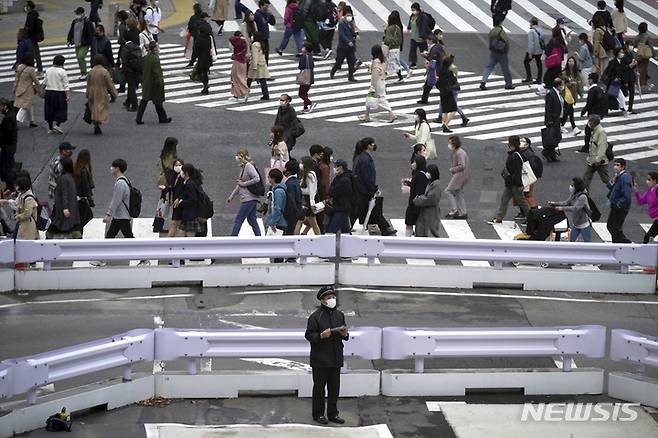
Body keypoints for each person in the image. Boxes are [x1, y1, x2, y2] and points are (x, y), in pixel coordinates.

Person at [305, 285, 348, 425]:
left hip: (336, 357)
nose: (332, 299)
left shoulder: (339, 315)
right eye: (329, 297)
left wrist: (345, 334)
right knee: (319, 388)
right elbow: (309, 335)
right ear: (322, 300)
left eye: (333, 297)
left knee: (334, 387)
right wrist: (321, 336)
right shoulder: (316, 317)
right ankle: (318, 414)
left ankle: (333, 414)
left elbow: (344, 333)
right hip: (320, 359)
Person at [352, 137, 396, 235]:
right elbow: (367, 176)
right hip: (365, 190)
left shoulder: (361, 157)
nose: (374, 145)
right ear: (368, 146)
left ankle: (385, 228)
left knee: (369, 209)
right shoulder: (365, 159)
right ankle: (385, 228)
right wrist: (373, 188)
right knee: (360, 210)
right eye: (372, 144)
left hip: (362, 189)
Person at [488, 136, 531, 224]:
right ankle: (499, 218)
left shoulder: (516, 155)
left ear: (512, 144)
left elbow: (518, 171)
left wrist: (519, 185)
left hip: (515, 183)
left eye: (509, 142)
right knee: (504, 199)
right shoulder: (514, 154)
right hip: (510, 183)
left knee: (522, 201)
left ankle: (532, 218)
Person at [227, 148, 262, 236]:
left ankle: (232, 239)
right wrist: (231, 196)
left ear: (242, 156)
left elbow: (256, 178)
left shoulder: (248, 166)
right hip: (250, 198)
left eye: (238, 155)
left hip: (248, 198)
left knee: (239, 219)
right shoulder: (244, 167)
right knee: (252, 219)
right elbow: (239, 185)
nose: (236, 157)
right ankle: (259, 238)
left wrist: (244, 184)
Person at [136, 41, 171, 124]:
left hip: (146, 82)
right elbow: (157, 72)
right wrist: (160, 82)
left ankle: (139, 118)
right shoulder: (155, 58)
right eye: (157, 47)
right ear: (154, 48)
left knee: (144, 101)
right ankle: (163, 118)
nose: (158, 48)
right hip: (154, 84)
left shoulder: (146, 57)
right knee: (158, 102)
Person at [359, 45, 395, 123]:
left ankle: (391, 113)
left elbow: (375, 75)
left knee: (379, 99)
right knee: (371, 97)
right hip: (382, 82)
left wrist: (373, 86)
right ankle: (367, 115)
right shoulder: (382, 61)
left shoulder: (376, 62)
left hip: (377, 82)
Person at [549, 177, 593, 242]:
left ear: (577, 186)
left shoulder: (582, 197)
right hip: (576, 223)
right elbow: (567, 202)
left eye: (572, 185)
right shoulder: (574, 194)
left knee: (588, 242)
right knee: (571, 241)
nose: (570, 187)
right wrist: (555, 203)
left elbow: (575, 208)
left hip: (584, 224)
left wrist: (561, 208)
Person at [48, 156, 80, 239]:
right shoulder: (70, 177)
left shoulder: (63, 178)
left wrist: (65, 208)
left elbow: (64, 193)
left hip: (63, 209)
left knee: (57, 228)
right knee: (69, 227)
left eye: (60, 164)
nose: (59, 166)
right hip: (70, 208)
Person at [86, 55, 118, 135]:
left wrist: (87, 93)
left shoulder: (91, 71)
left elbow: (88, 83)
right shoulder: (104, 71)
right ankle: (98, 123)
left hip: (92, 91)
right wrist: (114, 93)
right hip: (101, 91)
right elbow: (109, 84)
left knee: (94, 107)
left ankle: (96, 123)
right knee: (101, 107)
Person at [480, 16, 514, 90]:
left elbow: (489, 38)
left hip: (493, 52)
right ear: (500, 23)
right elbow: (506, 41)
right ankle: (508, 84)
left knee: (489, 67)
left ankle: (483, 82)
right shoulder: (501, 31)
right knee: (505, 69)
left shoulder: (492, 31)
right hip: (502, 53)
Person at [0, 175, 39, 240]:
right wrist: (6, 201)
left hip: (28, 224)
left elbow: (27, 214)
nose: (15, 187)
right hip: (22, 223)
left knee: (24, 241)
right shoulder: (21, 194)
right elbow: (16, 203)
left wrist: (17, 216)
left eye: (17, 185)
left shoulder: (29, 198)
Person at [579, 73, 608, 153]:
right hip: (598, 113)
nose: (588, 80)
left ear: (591, 80)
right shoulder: (599, 89)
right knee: (594, 130)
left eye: (589, 79)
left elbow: (589, 103)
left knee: (588, 131)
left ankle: (587, 147)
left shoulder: (592, 90)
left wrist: (583, 111)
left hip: (593, 113)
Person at [606, 158, 632, 243]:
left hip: (620, 207)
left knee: (613, 226)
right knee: (612, 226)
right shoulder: (618, 175)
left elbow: (627, 195)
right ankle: (618, 242)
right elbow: (609, 186)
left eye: (618, 165)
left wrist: (619, 204)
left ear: (623, 167)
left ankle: (623, 242)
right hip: (615, 205)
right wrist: (614, 179)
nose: (615, 167)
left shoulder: (625, 178)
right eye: (614, 165)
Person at [42, 55, 70, 134]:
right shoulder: (62, 71)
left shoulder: (48, 70)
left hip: (49, 93)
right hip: (59, 93)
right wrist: (67, 95)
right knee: (61, 110)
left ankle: (50, 128)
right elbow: (66, 85)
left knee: (49, 110)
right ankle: (57, 125)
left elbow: (44, 82)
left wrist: (41, 90)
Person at [330, 6, 358, 82]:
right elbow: (342, 35)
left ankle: (350, 76)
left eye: (350, 16)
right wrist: (348, 42)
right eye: (348, 15)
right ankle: (333, 71)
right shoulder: (342, 24)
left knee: (351, 61)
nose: (349, 17)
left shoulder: (351, 24)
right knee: (339, 61)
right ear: (344, 16)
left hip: (351, 46)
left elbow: (353, 32)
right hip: (343, 46)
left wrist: (356, 35)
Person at [295, 156, 322, 235]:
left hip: (307, 201)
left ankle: (296, 239)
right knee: (313, 222)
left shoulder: (310, 175)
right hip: (308, 200)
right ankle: (319, 238)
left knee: (299, 221)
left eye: (302, 163)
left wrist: (312, 203)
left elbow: (312, 190)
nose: (300, 164)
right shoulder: (305, 174)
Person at [171, 163, 200, 237]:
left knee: (189, 241)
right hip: (187, 215)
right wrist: (180, 198)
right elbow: (186, 194)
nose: (181, 172)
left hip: (190, 216)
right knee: (182, 238)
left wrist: (182, 203)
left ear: (186, 173)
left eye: (182, 171)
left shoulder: (189, 184)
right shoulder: (189, 182)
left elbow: (193, 199)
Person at [67, 7, 96, 80]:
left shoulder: (87, 22)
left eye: (78, 13)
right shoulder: (75, 21)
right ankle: (83, 72)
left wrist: (91, 43)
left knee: (81, 57)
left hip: (84, 43)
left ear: (82, 13)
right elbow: (71, 31)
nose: (77, 15)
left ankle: (84, 73)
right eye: (76, 13)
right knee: (79, 58)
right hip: (77, 43)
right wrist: (69, 40)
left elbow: (91, 33)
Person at [445, 136, 470, 219]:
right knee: (458, 193)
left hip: (460, 175)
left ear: (454, 144)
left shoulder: (459, 153)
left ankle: (454, 210)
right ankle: (463, 212)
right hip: (463, 175)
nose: (449, 144)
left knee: (448, 191)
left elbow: (462, 166)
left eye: (450, 143)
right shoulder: (457, 151)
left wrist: (452, 169)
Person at [413, 164, 441, 237]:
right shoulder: (431, 183)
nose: (427, 173)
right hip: (426, 212)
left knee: (429, 231)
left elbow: (431, 199)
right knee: (422, 230)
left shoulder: (436, 184)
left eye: (429, 172)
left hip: (431, 213)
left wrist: (418, 199)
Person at [325, 159, 352, 234]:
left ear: (342, 167)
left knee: (330, 231)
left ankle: (328, 245)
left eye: (336, 166)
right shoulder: (339, 177)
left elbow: (332, 192)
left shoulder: (344, 180)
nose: (335, 168)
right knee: (345, 232)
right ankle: (349, 244)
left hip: (341, 208)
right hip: (341, 207)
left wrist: (331, 190)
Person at [404, 155, 429, 236]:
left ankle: (408, 240)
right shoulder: (421, 174)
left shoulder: (420, 175)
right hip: (416, 203)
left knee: (410, 222)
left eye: (414, 162)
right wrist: (410, 184)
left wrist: (415, 204)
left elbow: (420, 190)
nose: (413, 164)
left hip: (415, 203)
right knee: (412, 222)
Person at [13, 52, 39, 128]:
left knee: (27, 105)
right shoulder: (31, 69)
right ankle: (14, 122)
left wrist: (14, 88)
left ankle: (32, 121)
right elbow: (35, 80)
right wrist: (39, 87)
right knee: (24, 106)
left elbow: (16, 78)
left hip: (19, 88)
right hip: (27, 90)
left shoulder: (20, 66)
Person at [583, 115, 609, 190]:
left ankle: (616, 191)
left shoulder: (601, 132)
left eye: (589, 121)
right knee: (586, 178)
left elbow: (602, 147)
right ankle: (584, 196)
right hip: (592, 161)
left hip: (600, 161)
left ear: (593, 122)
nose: (588, 123)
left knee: (605, 179)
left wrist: (598, 160)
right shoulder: (594, 130)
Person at [542, 77, 564, 162]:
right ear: (558, 85)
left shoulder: (558, 93)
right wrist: (549, 120)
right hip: (553, 120)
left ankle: (551, 154)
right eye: (561, 85)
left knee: (556, 137)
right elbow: (548, 108)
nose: (562, 86)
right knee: (553, 137)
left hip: (557, 119)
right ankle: (547, 152)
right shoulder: (551, 94)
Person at [560, 57, 583, 135]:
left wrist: (580, 93)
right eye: (570, 61)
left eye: (573, 61)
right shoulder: (564, 73)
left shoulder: (576, 73)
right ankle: (574, 127)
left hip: (573, 94)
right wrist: (570, 84)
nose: (571, 62)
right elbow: (562, 84)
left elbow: (579, 83)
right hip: (566, 94)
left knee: (567, 112)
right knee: (570, 111)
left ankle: (561, 125)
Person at [74, 149, 95, 235]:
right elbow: (86, 187)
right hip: (82, 200)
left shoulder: (76, 167)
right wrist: (90, 201)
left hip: (76, 198)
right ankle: (77, 235)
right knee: (87, 217)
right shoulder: (83, 171)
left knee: (82, 219)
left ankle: (77, 233)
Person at [634, 172, 658, 244]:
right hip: (655, 219)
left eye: (649, 179)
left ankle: (645, 254)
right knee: (649, 237)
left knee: (648, 237)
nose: (647, 181)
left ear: (655, 180)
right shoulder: (650, 191)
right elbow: (641, 201)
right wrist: (636, 191)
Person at [436, 56, 458, 133]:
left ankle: (445, 126)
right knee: (454, 109)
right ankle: (446, 124)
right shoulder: (449, 73)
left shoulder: (439, 71)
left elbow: (437, 82)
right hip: (448, 91)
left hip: (442, 91)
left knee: (445, 110)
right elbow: (453, 81)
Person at [0, 98, 17, 193]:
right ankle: (10, 186)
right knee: (5, 166)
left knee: (7, 168)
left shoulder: (7, 118)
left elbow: (6, 134)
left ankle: (11, 187)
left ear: (5, 106)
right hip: (10, 146)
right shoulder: (10, 115)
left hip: (7, 146)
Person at [247, 33, 271, 101]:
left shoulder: (254, 45)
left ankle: (244, 91)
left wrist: (254, 66)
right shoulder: (261, 44)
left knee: (249, 79)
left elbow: (255, 56)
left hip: (256, 64)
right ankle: (266, 95)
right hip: (262, 64)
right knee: (262, 80)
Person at [121, 37, 142, 112]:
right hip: (137, 70)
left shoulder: (125, 48)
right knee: (133, 87)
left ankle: (134, 105)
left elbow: (124, 61)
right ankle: (127, 102)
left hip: (129, 71)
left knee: (131, 88)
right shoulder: (136, 47)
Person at [603, 48, 627, 114]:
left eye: (623, 52)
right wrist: (614, 78)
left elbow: (623, 70)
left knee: (612, 97)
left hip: (618, 83)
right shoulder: (613, 62)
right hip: (613, 83)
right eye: (621, 52)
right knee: (620, 97)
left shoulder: (621, 62)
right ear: (617, 53)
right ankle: (624, 111)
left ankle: (606, 110)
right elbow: (608, 72)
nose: (622, 54)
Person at [407, 3, 431, 68]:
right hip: (413, 37)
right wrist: (408, 29)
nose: (413, 11)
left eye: (414, 9)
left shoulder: (423, 17)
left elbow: (424, 26)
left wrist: (423, 36)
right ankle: (413, 63)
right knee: (412, 51)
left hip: (421, 37)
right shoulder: (412, 16)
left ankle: (428, 61)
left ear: (417, 9)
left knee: (423, 50)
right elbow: (410, 23)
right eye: (412, 10)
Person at [196, 13, 214, 95]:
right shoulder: (209, 38)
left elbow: (196, 49)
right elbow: (212, 46)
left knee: (200, 72)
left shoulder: (200, 38)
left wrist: (192, 60)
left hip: (202, 58)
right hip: (208, 57)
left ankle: (205, 85)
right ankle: (205, 87)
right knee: (205, 72)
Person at [542, 26, 566, 90]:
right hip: (559, 61)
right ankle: (557, 87)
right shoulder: (561, 40)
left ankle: (550, 87)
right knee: (557, 75)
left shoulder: (553, 41)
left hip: (553, 62)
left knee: (549, 76)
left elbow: (547, 50)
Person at [229, 31, 250, 102]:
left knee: (236, 78)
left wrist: (239, 37)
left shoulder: (238, 42)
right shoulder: (245, 43)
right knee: (241, 77)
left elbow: (231, 38)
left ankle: (244, 91)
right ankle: (237, 94)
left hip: (237, 62)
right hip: (243, 62)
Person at [265, 168, 287, 234]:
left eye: (269, 177)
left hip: (279, 223)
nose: (268, 179)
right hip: (278, 222)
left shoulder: (278, 191)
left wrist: (273, 222)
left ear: (273, 179)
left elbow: (278, 208)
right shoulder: (276, 190)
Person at [23, 1, 43, 73]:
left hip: (31, 38)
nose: (25, 7)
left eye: (26, 6)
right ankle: (37, 68)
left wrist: (25, 31)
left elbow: (30, 27)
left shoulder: (31, 15)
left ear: (29, 7)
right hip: (34, 37)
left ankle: (38, 69)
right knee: (35, 54)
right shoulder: (34, 14)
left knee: (34, 54)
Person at [284, 160, 302, 236]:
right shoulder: (295, 182)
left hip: (291, 213)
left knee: (289, 233)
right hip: (295, 212)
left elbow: (291, 200)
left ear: (288, 171)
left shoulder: (289, 184)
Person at [634, 22, 654, 93]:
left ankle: (647, 84)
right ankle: (637, 85)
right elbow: (651, 47)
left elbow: (634, 45)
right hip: (645, 57)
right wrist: (654, 55)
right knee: (643, 71)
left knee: (641, 70)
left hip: (639, 55)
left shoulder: (637, 37)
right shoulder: (648, 37)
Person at [523, 17, 543, 84]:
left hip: (533, 51)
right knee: (539, 64)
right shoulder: (540, 30)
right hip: (540, 50)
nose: (529, 24)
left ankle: (529, 77)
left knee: (526, 62)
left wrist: (530, 53)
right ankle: (539, 79)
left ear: (532, 23)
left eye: (530, 23)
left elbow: (531, 43)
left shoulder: (531, 31)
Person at [298, 42, 316, 113]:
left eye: (303, 47)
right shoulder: (310, 56)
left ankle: (310, 103)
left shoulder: (303, 56)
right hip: (311, 75)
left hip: (305, 76)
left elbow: (300, 67)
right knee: (305, 93)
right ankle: (305, 107)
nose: (302, 48)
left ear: (306, 49)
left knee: (301, 93)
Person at [620, 41, 637, 114]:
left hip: (631, 76)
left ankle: (630, 108)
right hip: (625, 77)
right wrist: (630, 65)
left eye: (632, 45)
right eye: (630, 45)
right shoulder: (623, 55)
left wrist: (634, 64)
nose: (631, 47)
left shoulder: (631, 53)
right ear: (626, 46)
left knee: (632, 92)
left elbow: (632, 64)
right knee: (623, 93)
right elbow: (623, 67)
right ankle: (622, 107)